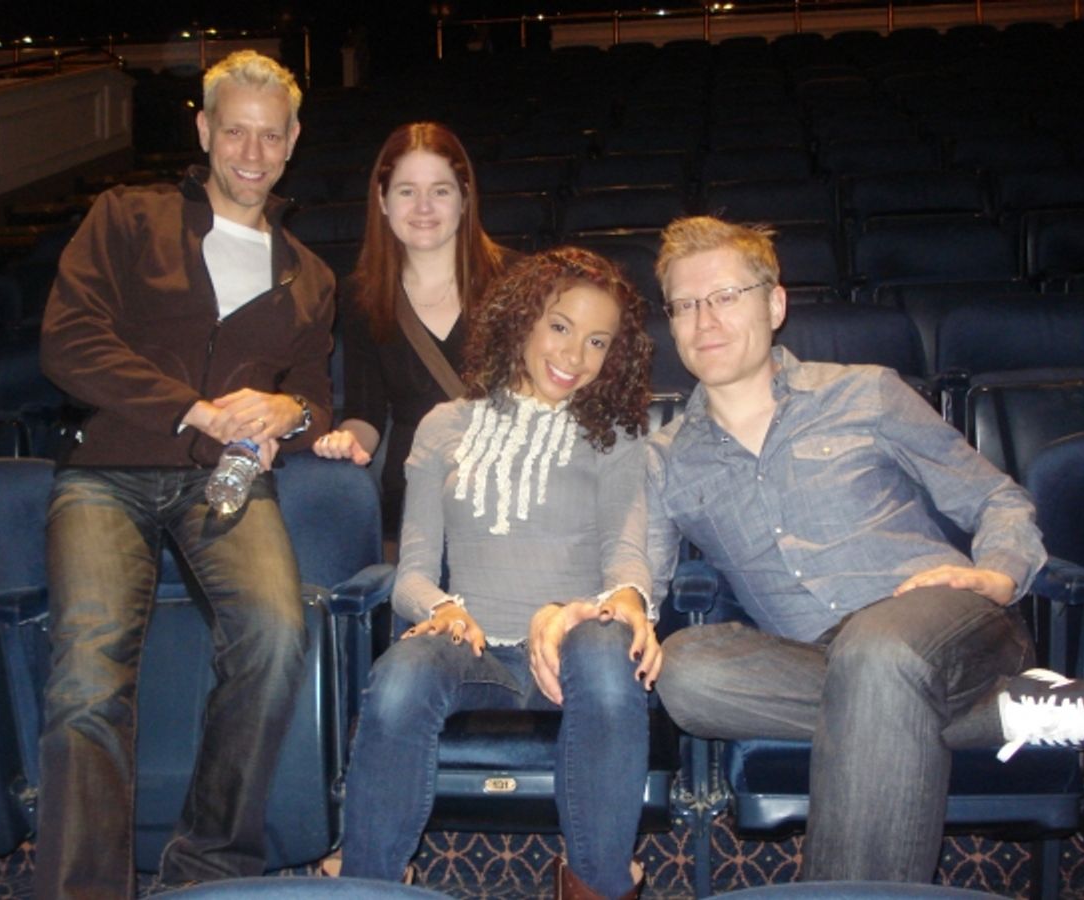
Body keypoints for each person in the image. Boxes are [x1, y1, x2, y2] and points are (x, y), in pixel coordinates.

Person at [646, 215, 1084, 884]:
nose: (705, 318)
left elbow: (996, 499)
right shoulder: (667, 458)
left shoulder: (866, 392)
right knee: (684, 673)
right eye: (685, 304)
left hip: (941, 618)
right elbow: (634, 573)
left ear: (775, 302)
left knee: (879, 651)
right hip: (814, 655)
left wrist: (997, 574)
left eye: (727, 295)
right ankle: (1006, 711)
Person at [36, 50, 334, 899]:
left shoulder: (308, 275)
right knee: (89, 672)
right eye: (233, 130)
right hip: (108, 472)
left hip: (228, 485)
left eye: (270, 135)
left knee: (278, 638)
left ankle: (207, 868)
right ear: (202, 130)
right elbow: (69, 343)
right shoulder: (126, 216)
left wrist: (291, 414)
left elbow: (311, 390)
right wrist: (193, 408)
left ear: (293, 142)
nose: (251, 151)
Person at [338, 247, 659, 899]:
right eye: (561, 327)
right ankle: (368, 884)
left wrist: (627, 601)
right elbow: (411, 575)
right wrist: (443, 608)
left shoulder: (615, 437)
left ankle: (596, 884)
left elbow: (625, 556)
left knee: (606, 648)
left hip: (570, 648)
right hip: (477, 650)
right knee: (403, 672)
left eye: (598, 342)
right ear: (521, 321)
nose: (575, 356)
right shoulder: (444, 425)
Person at [311, 121, 510, 543]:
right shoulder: (363, 296)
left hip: (507, 488)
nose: (423, 208)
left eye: (440, 190)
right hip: (414, 497)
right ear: (382, 201)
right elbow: (366, 413)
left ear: (465, 197)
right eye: (406, 191)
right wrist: (347, 441)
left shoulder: (518, 280)